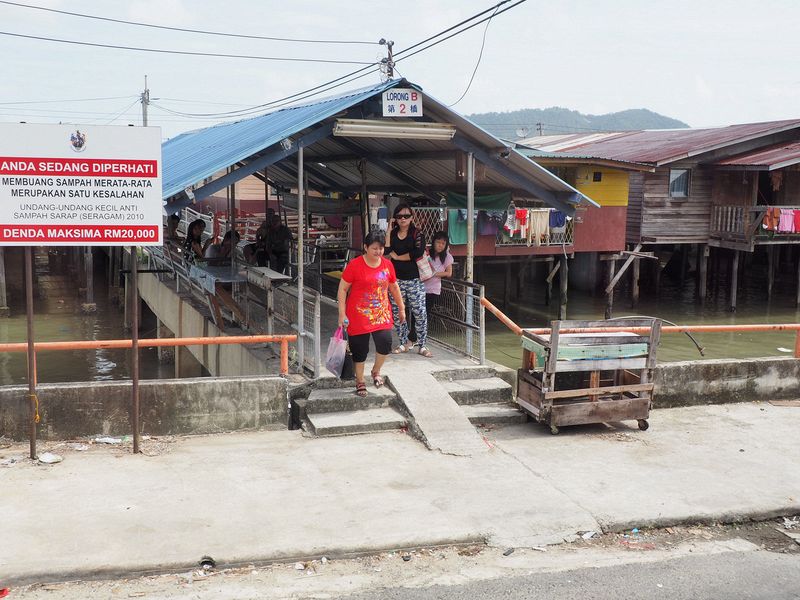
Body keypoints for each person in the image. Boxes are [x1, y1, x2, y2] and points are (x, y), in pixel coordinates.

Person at [337, 232, 406, 397]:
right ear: (366, 247)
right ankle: (360, 381)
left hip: (381, 314)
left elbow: (394, 287)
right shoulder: (355, 265)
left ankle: (376, 371)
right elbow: (342, 289)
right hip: (358, 315)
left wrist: (401, 308)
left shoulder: (388, 265)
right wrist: (341, 313)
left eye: (381, 248)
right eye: (374, 248)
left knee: (385, 342)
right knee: (360, 349)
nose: (378, 252)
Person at [385, 203, 431, 357]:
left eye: (406, 216)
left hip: (414, 280)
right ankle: (403, 342)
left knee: (420, 313)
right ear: (395, 219)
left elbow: (417, 252)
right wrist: (388, 229)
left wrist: (398, 257)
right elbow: (386, 250)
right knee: (398, 313)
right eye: (399, 216)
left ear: (412, 218)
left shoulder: (417, 233)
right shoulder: (392, 233)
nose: (403, 219)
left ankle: (422, 345)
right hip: (396, 280)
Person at [422, 230, 454, 328]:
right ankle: (414, 335)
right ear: (433, 242)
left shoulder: (447, 257)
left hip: (433, 289)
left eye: (443, 243)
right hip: (421, 286)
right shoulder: (427, 253)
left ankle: (421, 336)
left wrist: (434, 274)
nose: (440, 245)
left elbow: (449, 273)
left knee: (425, 312)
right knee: (417, 311)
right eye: (438, 242)